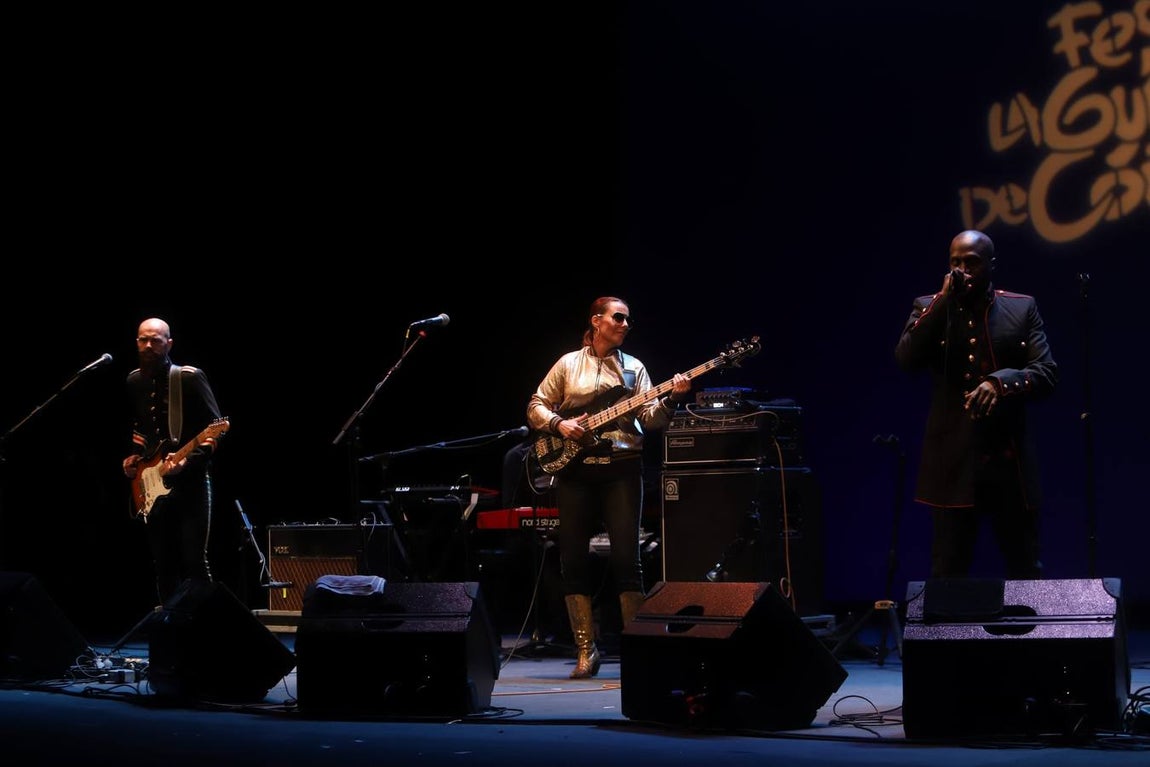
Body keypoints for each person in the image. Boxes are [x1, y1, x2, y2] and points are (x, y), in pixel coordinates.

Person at [527, 296, 691, 678]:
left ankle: (638, 650)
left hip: (621, 467)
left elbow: (650, 421)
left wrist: (671, 399)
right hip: (575, 472)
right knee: (573, 560)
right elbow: (536, 404)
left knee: (626, 561)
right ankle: (587, 650)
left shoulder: (635, 369)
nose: (625, 325)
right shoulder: (568, 364)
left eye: (628, 320)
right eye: (618, 318)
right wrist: (559, 425)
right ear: (596, 321)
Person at [895, 230, 1058, 580]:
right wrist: (941, 301)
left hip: (1008, 462)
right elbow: (906, 359)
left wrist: (1001, 382)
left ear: (991, 265)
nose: (962, 270)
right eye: (955, 262)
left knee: (1025, 569)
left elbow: (1046, 373)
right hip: (953, 461)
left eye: (971, 262)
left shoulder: (1020, 307)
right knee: (947, 569)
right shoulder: (930, 307)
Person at [122, 317, 225, 605]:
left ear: (169, 343)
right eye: (143, 339)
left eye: (156, 339)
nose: (148, 345)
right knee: (163, 563)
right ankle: (170, 630)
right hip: (153, 483)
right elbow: (141, 428)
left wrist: (188, 461)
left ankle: (204, 629)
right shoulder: (134, 380)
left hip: (191, 481)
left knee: (195, 561)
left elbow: (216, 429)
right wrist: (133, 457)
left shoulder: (189, 377)